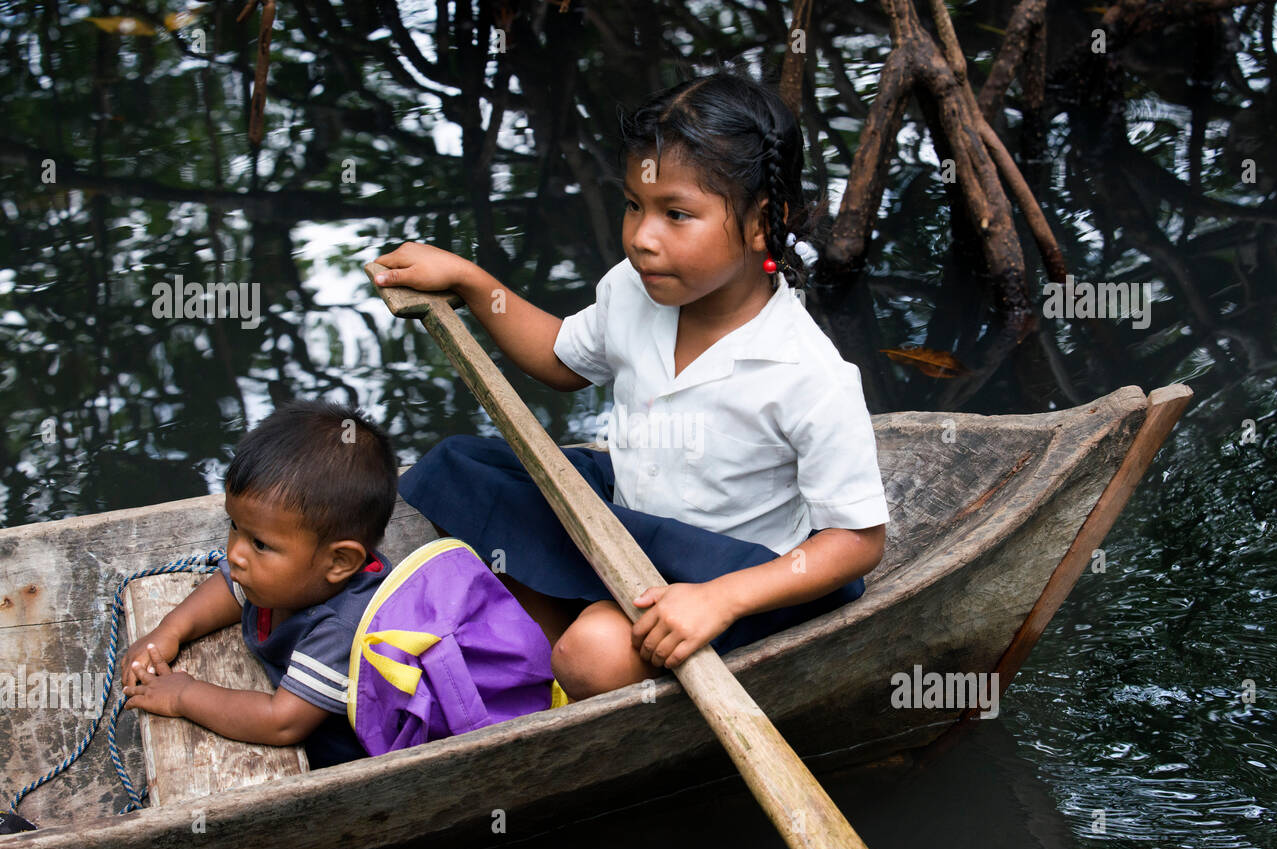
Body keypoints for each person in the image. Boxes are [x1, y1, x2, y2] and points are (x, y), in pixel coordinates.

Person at [372, 71, 890, 701]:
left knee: (592, 656)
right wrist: (473, 284)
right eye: (634, 206)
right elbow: (564, 359)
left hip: (729, 568)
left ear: (763, 223)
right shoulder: (632, 289)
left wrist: (720, 600)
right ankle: (560, 629)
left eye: (676, 214)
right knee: (459, 466)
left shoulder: (806, 373)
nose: (642, 237)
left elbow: (857, 541)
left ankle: (569, 638)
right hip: (628, 517)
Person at [122, 400, 397, 768]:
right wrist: (170, 631)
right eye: (234, 526)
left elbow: (280, 722)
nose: (235, 553)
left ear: (339, 561)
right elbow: (230, 588)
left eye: (260, 544)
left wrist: (182, 695)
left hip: (346, 762)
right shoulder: (291, 577)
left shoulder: (345, 628)